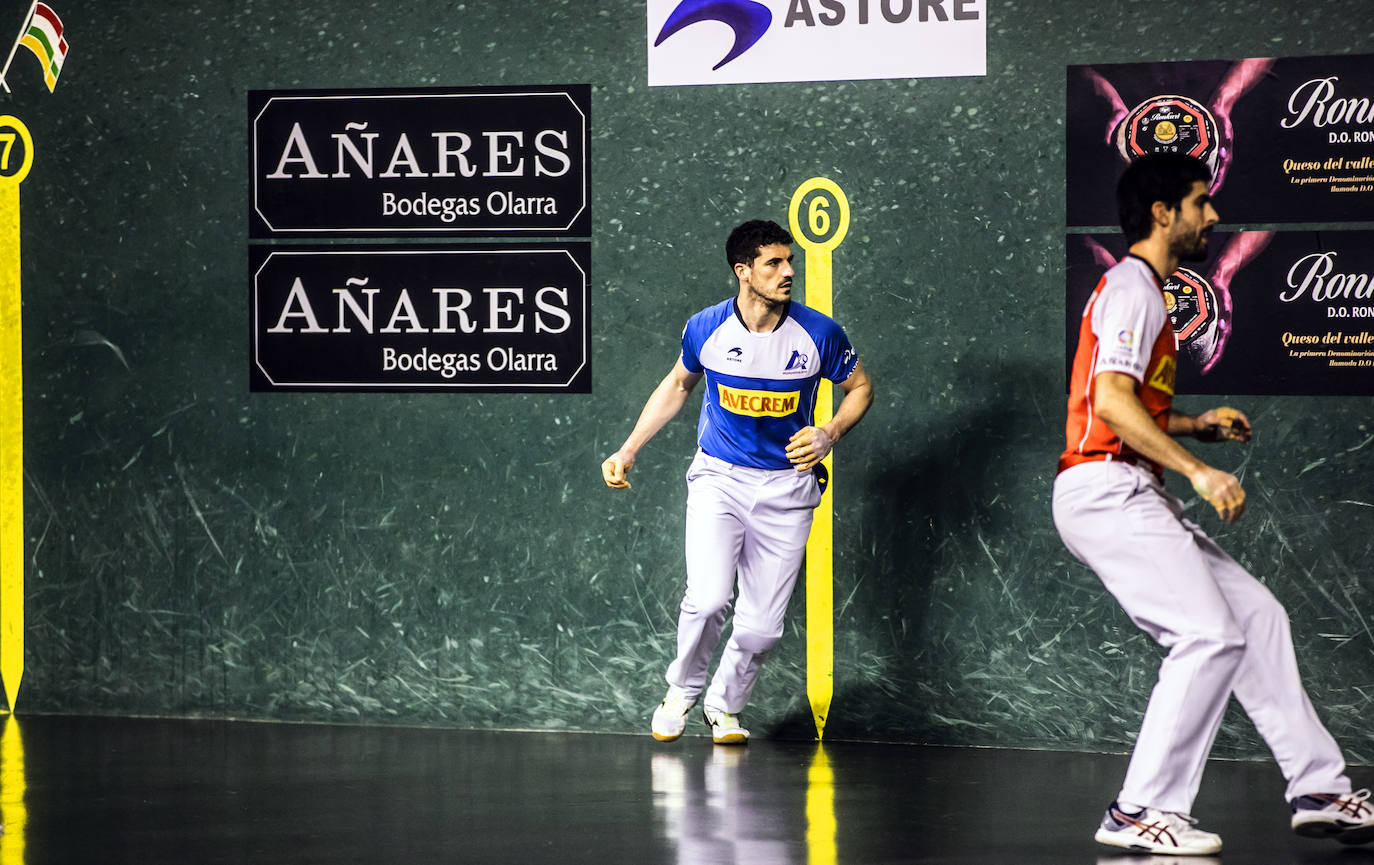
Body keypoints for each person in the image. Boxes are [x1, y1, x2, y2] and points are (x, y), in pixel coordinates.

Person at [1052, 152, 1373, 855]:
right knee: (1207, 634)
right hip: (1105, 489)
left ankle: (1318, 786)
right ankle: (1139, 810)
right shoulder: (1132, 286)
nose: (1214, 215)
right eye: (1202, 201)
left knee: (1255, 617)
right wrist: (1199, 469)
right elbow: (1108, 402)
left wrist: (1196, 427)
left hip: (1126, 484)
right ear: (1164, 212)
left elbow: (1124, 406)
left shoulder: (1143, 291)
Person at [602, 219, 873, 745]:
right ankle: (681, 691)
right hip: (718, 479)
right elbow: (679, 384)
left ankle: (724, 707)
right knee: (706, 599)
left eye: (789, 261)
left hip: (789, 489)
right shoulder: (706, 327)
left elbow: (860, 386)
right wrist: (629, 448)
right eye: (774, 263)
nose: (788, 271)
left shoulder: (819, 333)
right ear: (743, 271)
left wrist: (830, 432)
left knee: (761, 630)